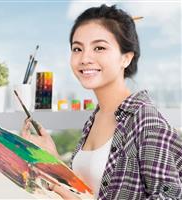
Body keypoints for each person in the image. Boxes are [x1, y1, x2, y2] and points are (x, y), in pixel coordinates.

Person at [21, 4, 182, 200]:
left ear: (126, 58)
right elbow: (89, 191)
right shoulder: (94, 118)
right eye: (77, 48)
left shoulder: (145, 120)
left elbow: (171, 196)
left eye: (99, 47)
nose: (85, 58)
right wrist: (53, 159)